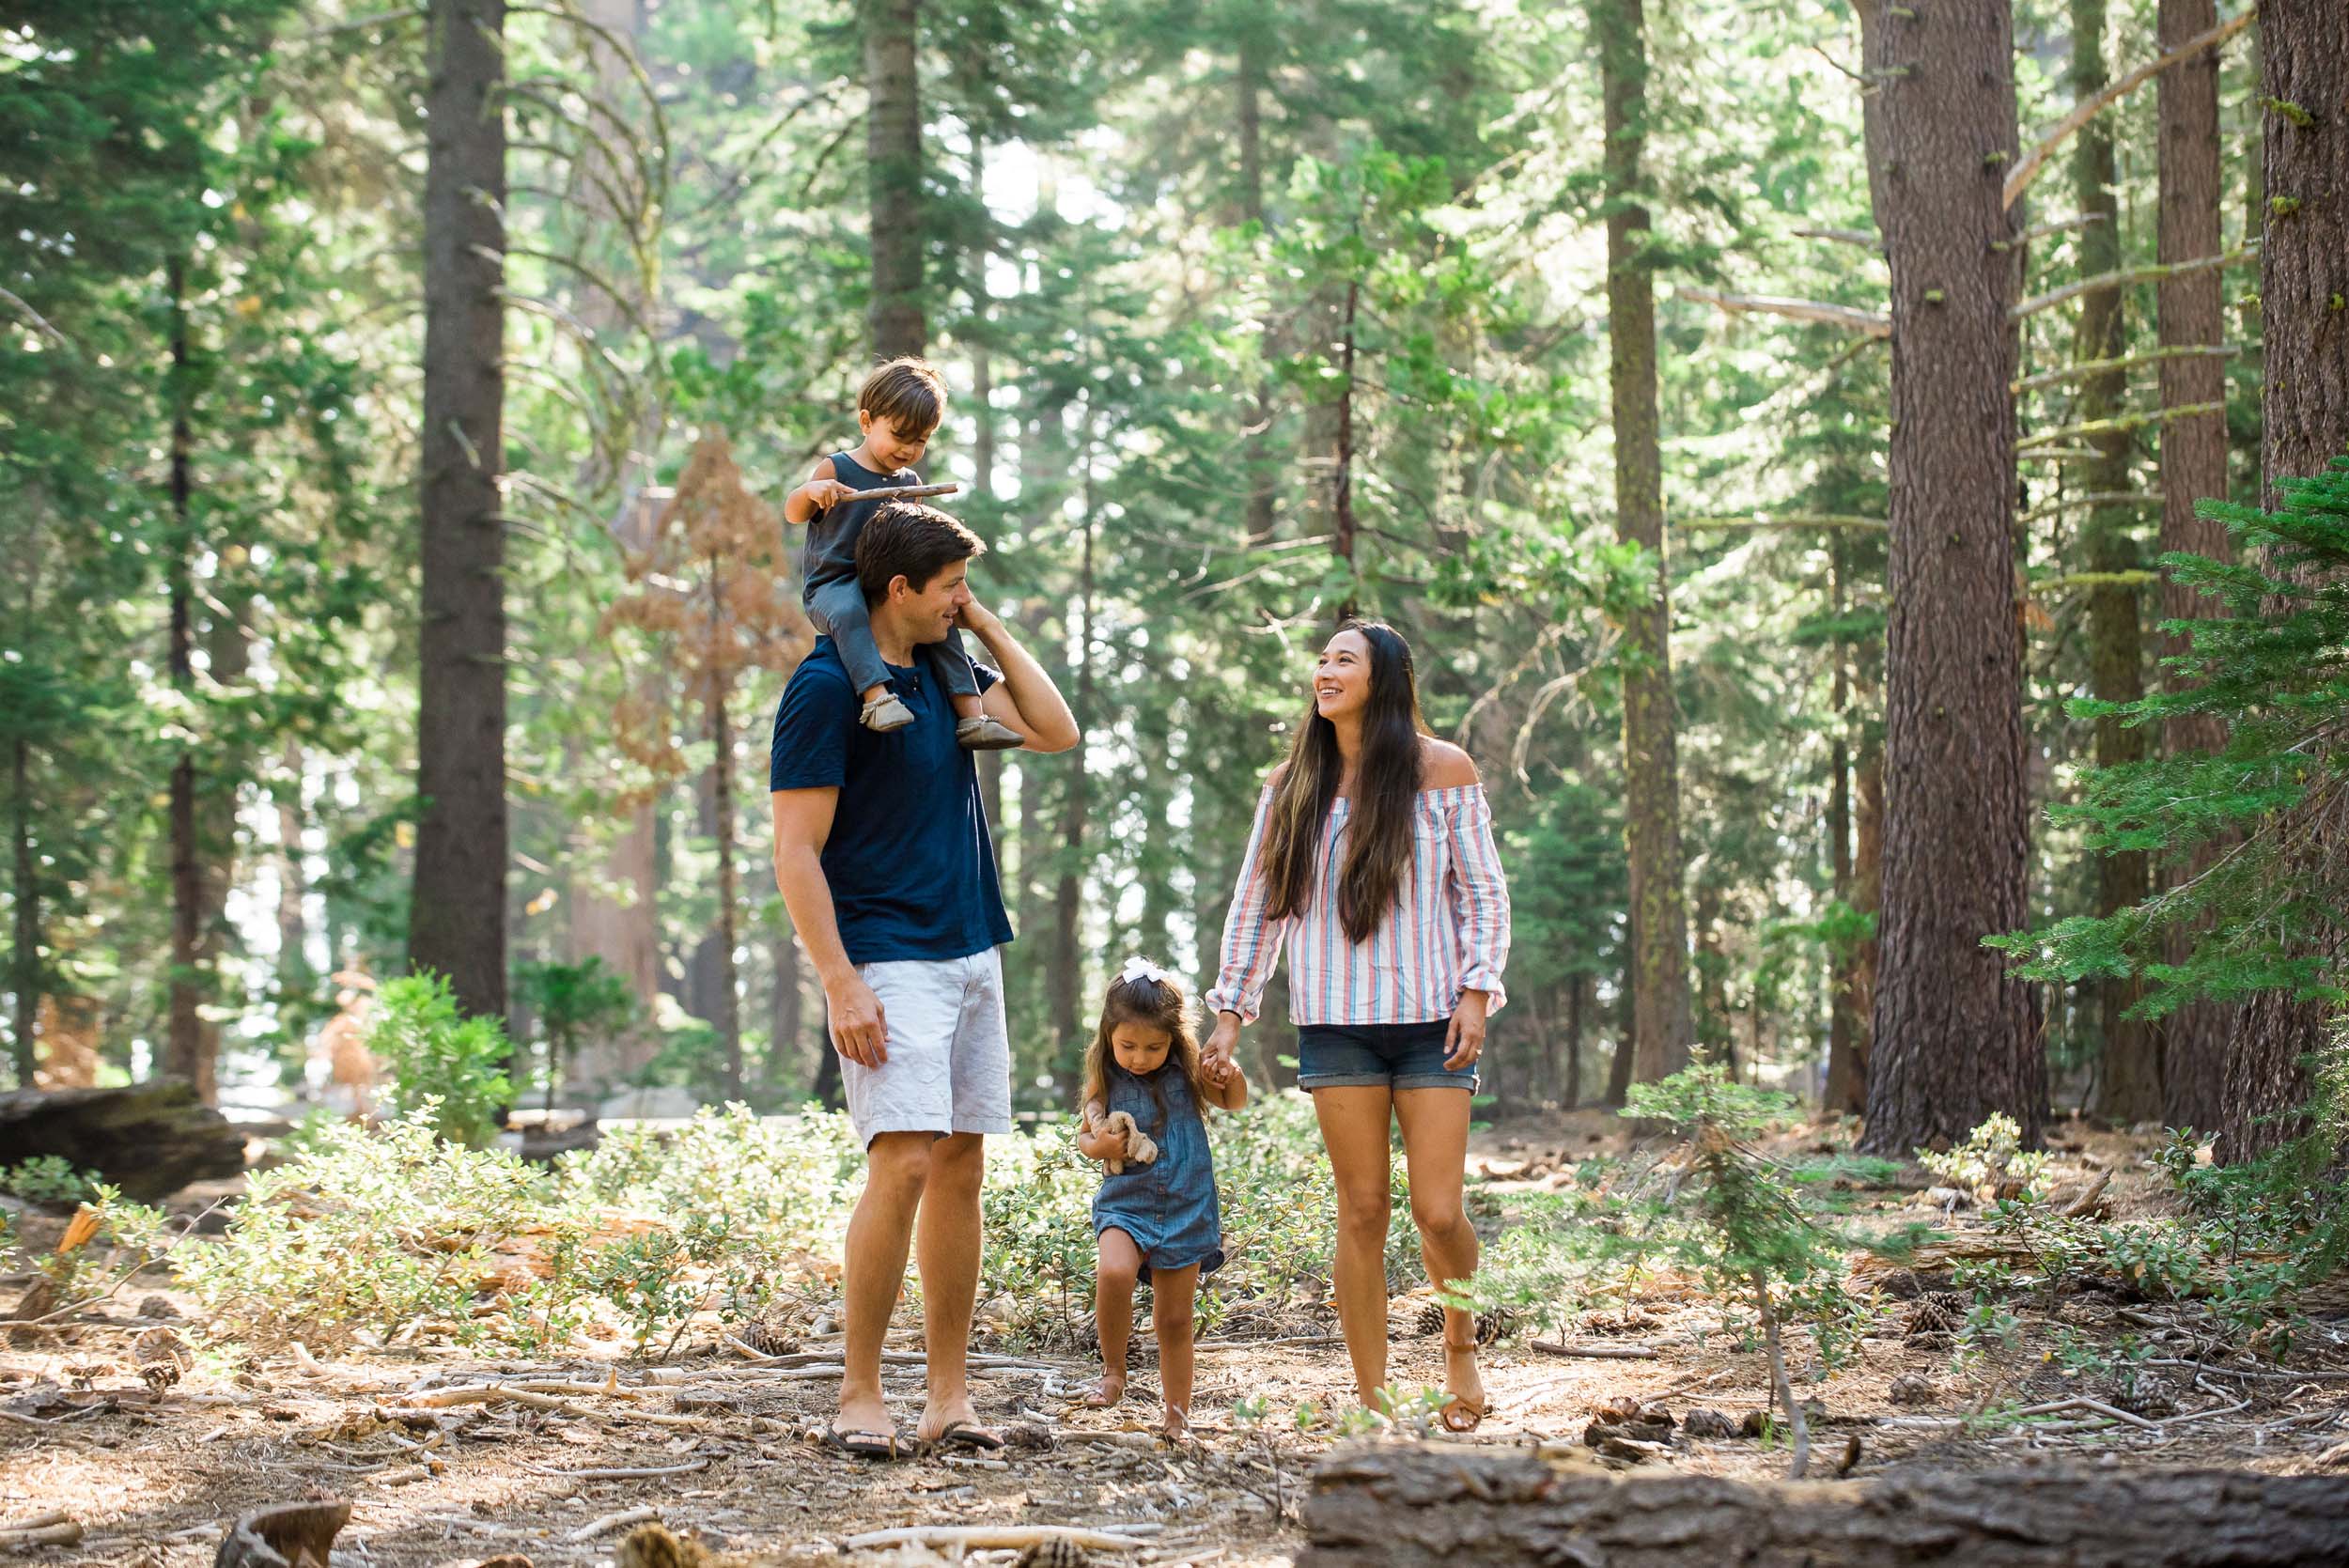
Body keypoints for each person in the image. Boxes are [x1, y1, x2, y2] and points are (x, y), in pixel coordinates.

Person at [769, 501, 1079, 1460]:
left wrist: (981, 623)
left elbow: (1055, 729)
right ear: (896, 588)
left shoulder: (951, 673)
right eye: (950, 587)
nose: (962, 599)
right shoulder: (828, 689)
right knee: (900, 1159)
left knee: (959, 1167)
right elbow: (794, 848)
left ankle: (950, 1395)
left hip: (970, 944)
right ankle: (859, 1391)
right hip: (885, 953)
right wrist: (839, 981)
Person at [1201, 617, 1511, 1433]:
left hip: (1432, 1022)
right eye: (1323, 657)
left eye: (1346, 658)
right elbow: (1258, 906)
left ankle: (1459, 1345)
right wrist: (1231, 1012)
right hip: (1335, 1024)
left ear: (1385, 679)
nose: (1325, 669)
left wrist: (1477, 990)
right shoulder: (1292, 784)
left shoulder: (1442, 771)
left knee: (1438, 1211)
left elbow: (1481, 891)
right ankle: (1373, 1400)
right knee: (1362, 1208)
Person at [782, 357, 1025, 751]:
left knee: (940, 624)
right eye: (900, 435)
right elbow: (793, 512)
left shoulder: (909, 481)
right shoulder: (837, 468)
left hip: (888, 586)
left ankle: (972, 715)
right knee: (848, 612)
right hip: (836, 584)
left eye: (921, 440)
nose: (910, 449)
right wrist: (812, 494)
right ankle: (876, 698)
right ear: (867, 422)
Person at [1073, 959, 1248, 1436]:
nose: (1139, 1057)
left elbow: (1232, 1101)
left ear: (1174, 1039)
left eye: (1153, 1046)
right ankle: (1114, 1372)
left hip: (1184, 1205)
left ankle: (1177, 1415)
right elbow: (1086, 1139)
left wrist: (1227, 1072)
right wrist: (1101, 1146)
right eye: (1128, 1045)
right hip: (1125, 1200)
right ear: (1109, 1034)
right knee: (1112, 1272)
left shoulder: (1188, 1069)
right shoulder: (1106, 1078)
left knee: (1173, 1319)